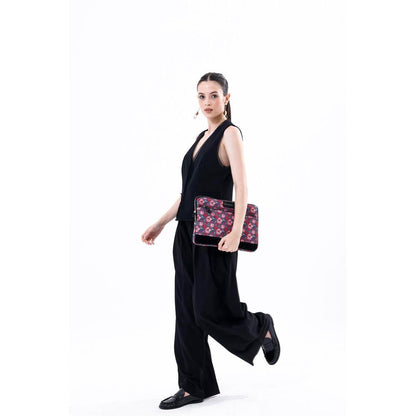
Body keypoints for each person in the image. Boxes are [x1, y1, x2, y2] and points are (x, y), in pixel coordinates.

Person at [141, 72, 280, 410]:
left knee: (210, 308)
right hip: (186, 232)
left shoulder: (230, 133)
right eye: (202, 96)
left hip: (215, 236)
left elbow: (242, 186)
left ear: (226, 99)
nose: (207, 102)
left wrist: (236, 232)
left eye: (214, 95)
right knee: (187, 311)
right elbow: (187, 194)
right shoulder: (200, 137)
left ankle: (260, 327)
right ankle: (193, 385)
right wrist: (160, 223)